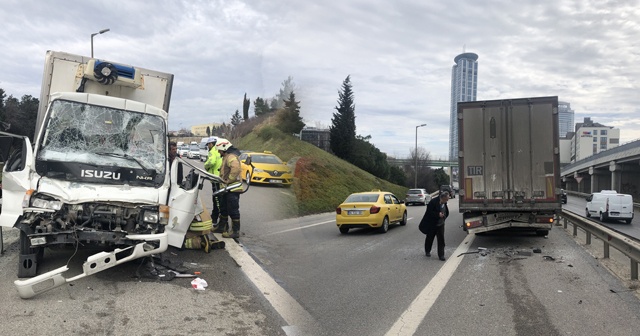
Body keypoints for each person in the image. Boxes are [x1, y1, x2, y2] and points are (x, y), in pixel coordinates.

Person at [214, 138, 243, 238]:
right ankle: (222, 227)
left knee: (233, 210)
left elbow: (235, 168)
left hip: (233, 188)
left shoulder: (231, 157)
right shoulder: (226, 156)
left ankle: (235, 231)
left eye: (219, 150)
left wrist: (229, 180)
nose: (218, 152)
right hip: (227, 189)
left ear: (224, 148)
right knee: (224, 208)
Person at [418, 191, 450, 261]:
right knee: (430, 238)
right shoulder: (433, 202)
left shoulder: (444, 203)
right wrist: (438, 214)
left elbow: (446, 212)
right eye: (447, 198)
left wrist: (444, 217)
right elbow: (429, 213)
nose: (448, 200)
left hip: (441, 224)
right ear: (443, 197)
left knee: (441, 240)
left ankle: (441, 255)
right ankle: (427, 251)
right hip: (432, 224)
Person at [203, 137, 223, 230]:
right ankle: (216, 217)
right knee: (219, 199)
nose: (208, 146)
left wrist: (205, 165)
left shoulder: (212, 151)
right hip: (221, 178)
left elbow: (211, 162)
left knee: (216, 200)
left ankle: (216, 219)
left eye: (208, 144)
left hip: (215, 179)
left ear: (211, 144)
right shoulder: (220, 150)